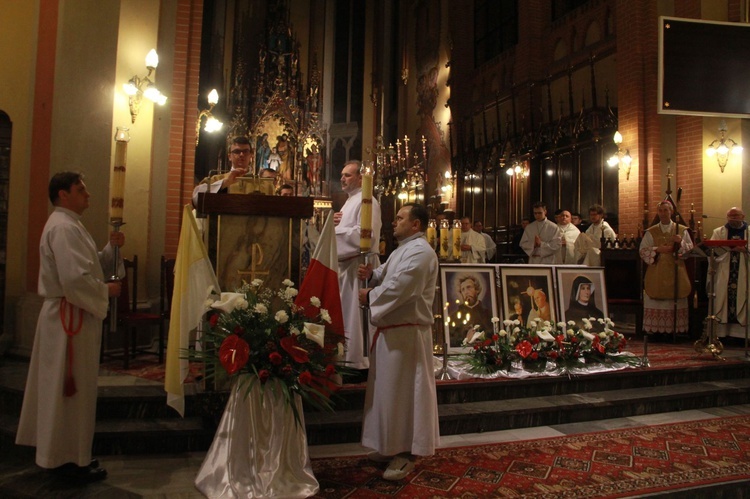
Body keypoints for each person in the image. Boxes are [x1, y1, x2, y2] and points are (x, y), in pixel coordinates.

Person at [16, 172, 124, 483]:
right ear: (63, 195)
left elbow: (86, 268)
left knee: (73, 395)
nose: (88, 195)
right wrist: (105, 291)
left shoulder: (70, 225)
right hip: (69, 321)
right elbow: (75, 280)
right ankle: (63, 462)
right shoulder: (63, 228)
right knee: (67, 394)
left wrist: (109, 249)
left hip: (72, 316)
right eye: (81, 190)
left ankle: (73, 456)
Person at [356, 203, 439, 481]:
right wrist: (372, 274)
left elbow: (402, 287)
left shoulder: (422, 252)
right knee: (388, 393)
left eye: (401, 218)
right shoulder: (404, 249)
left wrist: (369, 296)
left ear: (416, 225)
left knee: (406, 396)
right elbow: (387, 275)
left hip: (408, 335)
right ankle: (390, 445)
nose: (395, 222)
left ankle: (407, 452)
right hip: (392, 332)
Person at [334, 160, 382, 376]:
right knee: (347, 314)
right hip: (346, 266)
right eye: (342, 175)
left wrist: (330, 233)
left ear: (361, 178)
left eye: (348, 175)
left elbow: (364, 236)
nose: (343, 178)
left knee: (356, 315)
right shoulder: (349, 201)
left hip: (359, 266)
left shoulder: (367, 200)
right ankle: (347, 359)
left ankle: (358, 362)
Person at [639, 201, 693, 337]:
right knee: (656, 296)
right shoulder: (651, 231)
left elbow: (690, 250)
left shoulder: (681, 230)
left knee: (676, 296)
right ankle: (655, 331)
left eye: (666, 210)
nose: (663, 213)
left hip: (676, 269)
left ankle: (675, 331)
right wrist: (658, 249)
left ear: (672, 212)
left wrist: (680, 242)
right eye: (660, 210)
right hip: (657, 270)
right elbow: (643, 250)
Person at [710, 207, 749, 337]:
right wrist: (729, 249)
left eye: (736, 215)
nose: (733, 218)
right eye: (730, 216)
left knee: (743, 298)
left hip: (744, 273)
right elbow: (713, 252)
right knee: (724, 299)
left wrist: (745, 250)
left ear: (742, 216)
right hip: (725, 272)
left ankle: (743, 336)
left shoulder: (749, 231)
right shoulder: (719, 232)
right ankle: (723, 335)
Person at [192, 136, 251, 207]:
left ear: (251, 155)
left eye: (245, 151)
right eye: (237, 151)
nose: (242, 154)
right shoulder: (216, 179)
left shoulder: (264, 182)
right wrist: (225, 183)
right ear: (229, 156)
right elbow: (196, 198)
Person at [450, 274, 494, 347]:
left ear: (477, 290)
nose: (466, 292)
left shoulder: (488, 314)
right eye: (463, 290)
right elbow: (451, 341)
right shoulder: (454, 317)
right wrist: (466, 339)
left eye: (469, 287)